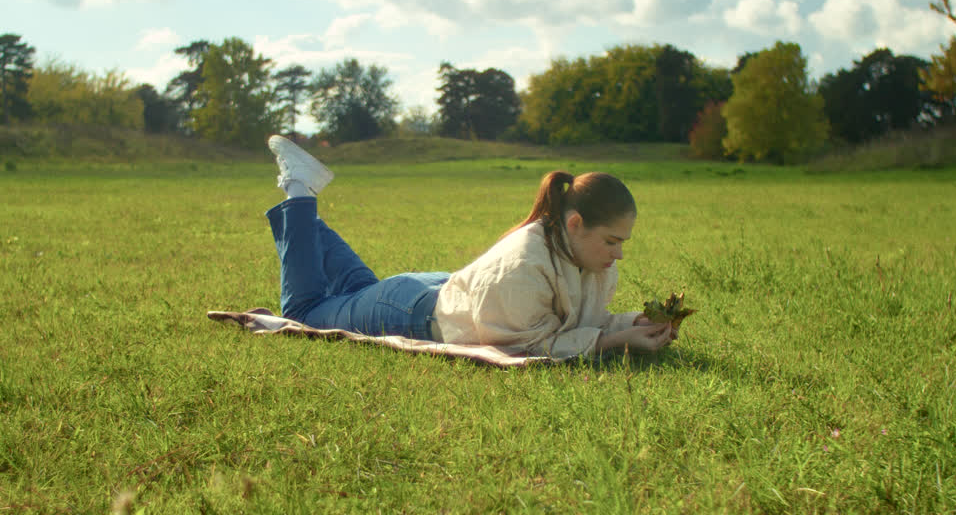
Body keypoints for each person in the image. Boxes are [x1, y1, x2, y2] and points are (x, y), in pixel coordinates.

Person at [264, 135, 676, 358]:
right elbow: (528, 347)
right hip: (411, 312)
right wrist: (611, 343)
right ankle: (298, 187)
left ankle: (303, 215)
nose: (619, 254)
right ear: (575, 224)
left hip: (432, 294)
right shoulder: (525, 265)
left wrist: (629, 324)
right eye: (612, 241)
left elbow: (579, 321)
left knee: (355, 290)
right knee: (304, 313)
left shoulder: (585, 257)